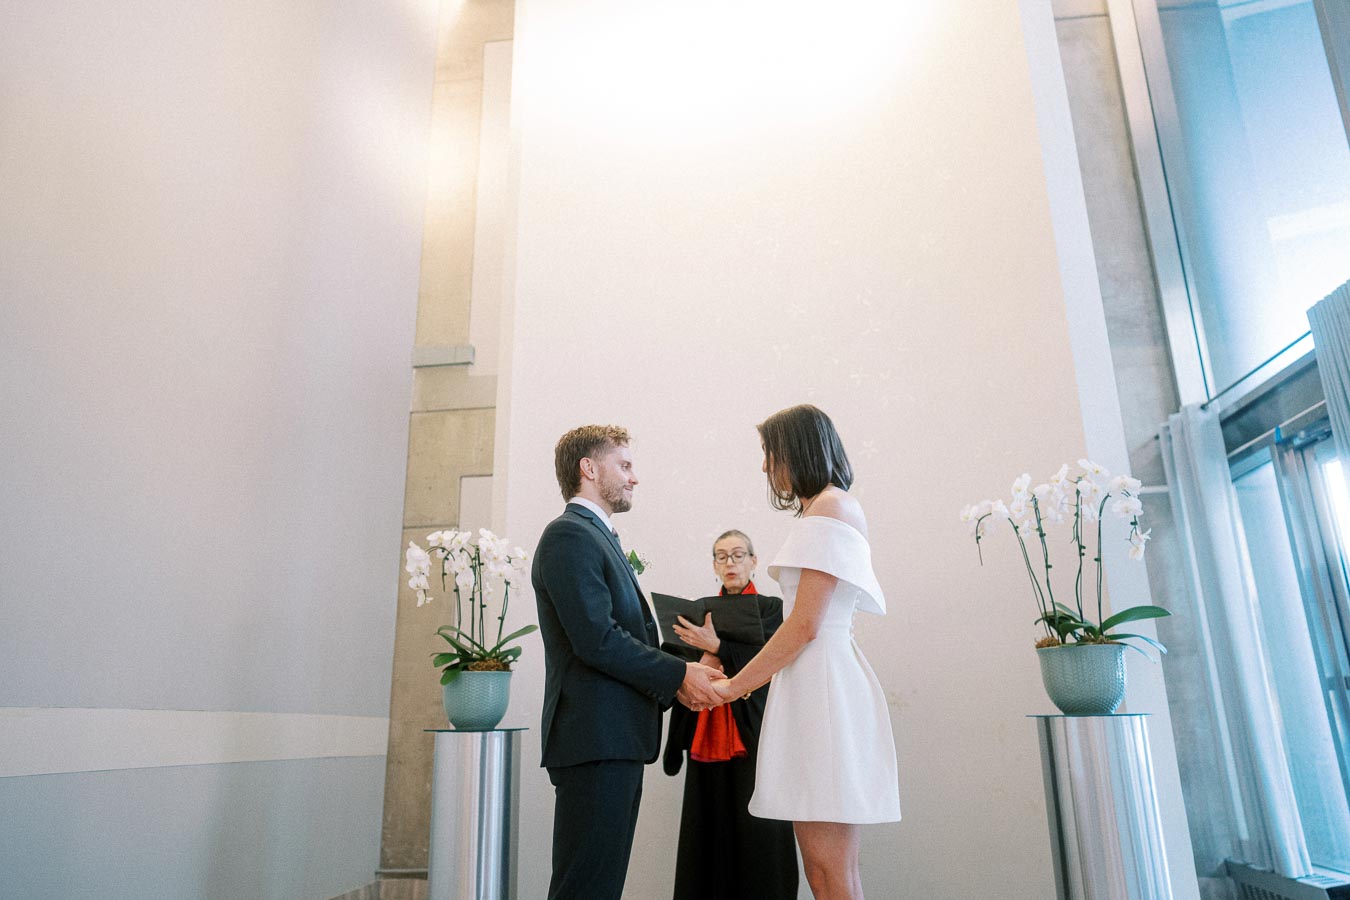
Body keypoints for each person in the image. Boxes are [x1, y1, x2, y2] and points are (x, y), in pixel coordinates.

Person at [710, 405, 901, 900]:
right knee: (828, 868)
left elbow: (803, 626)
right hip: (820, 683)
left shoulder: (829, 509)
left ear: (796, 452)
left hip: (822, 689)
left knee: (828, 866)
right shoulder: (833, 506)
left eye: (769, 454)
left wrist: (733, 686)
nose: (766, 468)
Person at [532, 424, 724, 900]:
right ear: (589, 469)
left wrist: (686, 669)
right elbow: (597, 639)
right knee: (586, 889)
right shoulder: (569, 536)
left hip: (614, 739)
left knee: (600, 887)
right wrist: (679, 675)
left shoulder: (597, 537)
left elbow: (619, 636)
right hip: (596, 739)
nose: (634, 477)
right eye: (625, 465)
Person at [663, 530, 799, 900]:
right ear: (714, 565)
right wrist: (699, 657)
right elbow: (678, 664)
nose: (730, 563)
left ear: (754, 562)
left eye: (738, 555)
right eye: (721, 557)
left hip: (754, 736)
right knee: (707, 831)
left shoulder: (773, 609)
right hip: (704, 734)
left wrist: (720, 647)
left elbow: (776, 659)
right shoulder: (699, 610)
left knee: (760, 834)